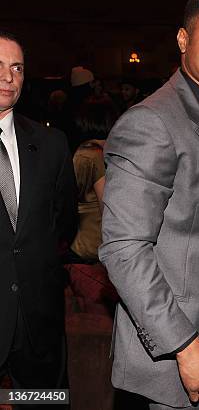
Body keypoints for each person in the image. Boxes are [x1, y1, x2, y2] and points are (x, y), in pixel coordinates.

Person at [99, 0, 199, 409]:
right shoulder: (150, 122)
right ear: (184, 40)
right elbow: (124, 248)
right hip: (176, 356)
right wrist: (185, 346)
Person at [0, 31, 78, 406]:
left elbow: (63, 220)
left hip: (38, 319)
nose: (8, 77)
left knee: (41, 402)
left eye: (16, 67)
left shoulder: (52, 143)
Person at [65, 96, 119, 316]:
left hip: (84, 247)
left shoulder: (85, 153)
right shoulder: (102, 153)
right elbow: (109, 208)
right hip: (94, 249)